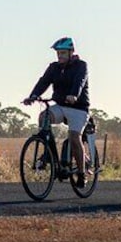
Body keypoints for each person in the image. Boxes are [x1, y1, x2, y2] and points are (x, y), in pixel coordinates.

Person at [23, 37, 91, 188]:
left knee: (74, 137)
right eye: (58, 53)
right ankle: (49, 154)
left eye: (63, 53)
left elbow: (79, 81)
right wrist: (33, 96)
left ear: (71, 52)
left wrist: (74, 95)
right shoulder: (53, 67)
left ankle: (81, 173)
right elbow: (43, 81)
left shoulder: (81, 65)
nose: (59, 56)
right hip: (60, 106)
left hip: (78, 108)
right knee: (44, 117)